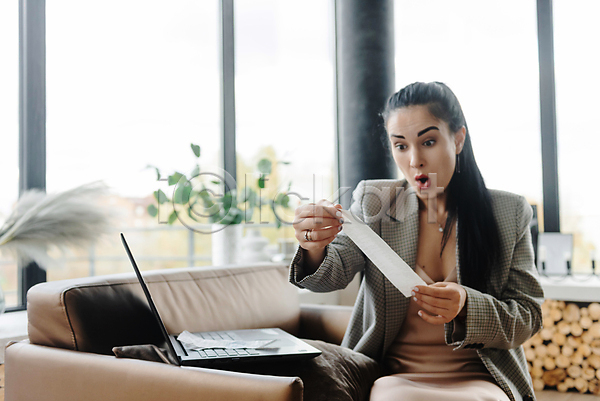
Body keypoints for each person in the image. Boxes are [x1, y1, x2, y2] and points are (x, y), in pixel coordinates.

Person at [289, 81, 544, 401]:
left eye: (429, 141)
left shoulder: (508, 212)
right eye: (401, 146)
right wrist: (314, 245)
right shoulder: (375, 201)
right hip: (394, 376)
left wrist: (466, 305)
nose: (415, 160)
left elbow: (528, 316)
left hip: (480, 376)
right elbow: (330, 276)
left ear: (458, 139)